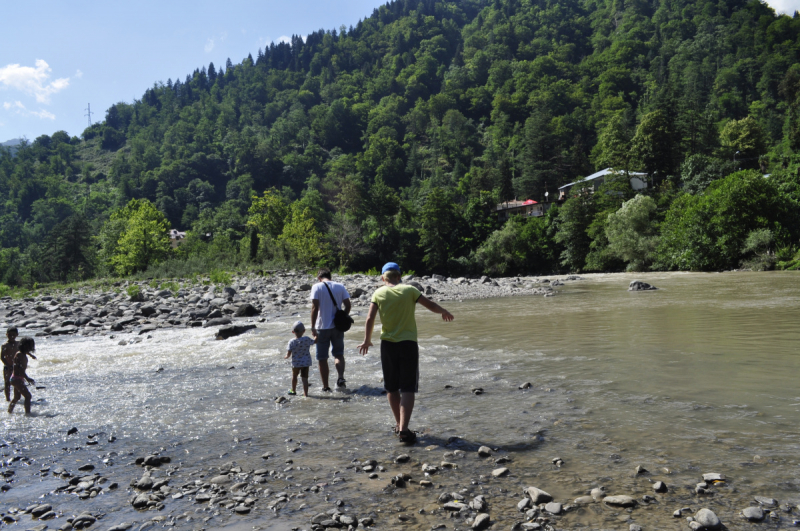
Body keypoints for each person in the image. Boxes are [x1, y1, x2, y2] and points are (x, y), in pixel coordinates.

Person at [358, 262, 454, 444]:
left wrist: (367, 340)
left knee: (391, 387)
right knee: (408, 387)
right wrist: (443, 311)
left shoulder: (378, 293)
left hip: (387, 344)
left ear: (382, 278)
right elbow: (430, 305)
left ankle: (398, 424)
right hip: (408, 343)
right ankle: (403, 429)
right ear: (399, 276)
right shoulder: (410, 290)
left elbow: (370, 318)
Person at [310, 268, 351, 391]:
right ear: (330, 276)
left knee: (322, 358)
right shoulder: (340, 286)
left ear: (319, 277)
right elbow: (348, 305)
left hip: (322, 327)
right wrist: (343, 316)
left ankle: (326, 386)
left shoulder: (316, 287)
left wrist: (312, 327)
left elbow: (315, 308)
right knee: (338, 354)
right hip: (338, 327)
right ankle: (340, 378)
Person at [285, 321, 314, 397]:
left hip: (296, 363)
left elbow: (289, 353)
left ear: (292, 332)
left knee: (294, 377)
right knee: (305, 379)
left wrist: (286, 356)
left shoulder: (291, 341)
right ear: (304, 331)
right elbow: (315, 341)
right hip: (305, 363)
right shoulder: (307, 339)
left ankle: (293, 390)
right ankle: (305, 394)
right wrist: (316, 335)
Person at [8, 336, 36, 415]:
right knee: (28, 396)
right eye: (28, 346)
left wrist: (31, 355)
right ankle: (28, 414)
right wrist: (27, 378)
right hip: (17, 379)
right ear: (23, 345)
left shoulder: (22, 352)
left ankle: (9, 412)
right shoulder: (20, 355)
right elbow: (20, 369)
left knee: (17, 397)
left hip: (16, 378)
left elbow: (26, 352)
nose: (30, 348)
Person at [2, 327, 30, 402]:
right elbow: (2, 357)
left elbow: (23, 350)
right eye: (9, 335)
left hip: (16, 367)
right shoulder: (5, 345)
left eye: (13, 335)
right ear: (6, 335)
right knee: (7, 383)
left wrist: (30, 355)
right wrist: (8, 365)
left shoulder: (18, 343)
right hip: (7, 367)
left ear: (17, 335)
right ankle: (8, 399)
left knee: (17, 381)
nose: (11, 336)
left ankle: (16, 398)